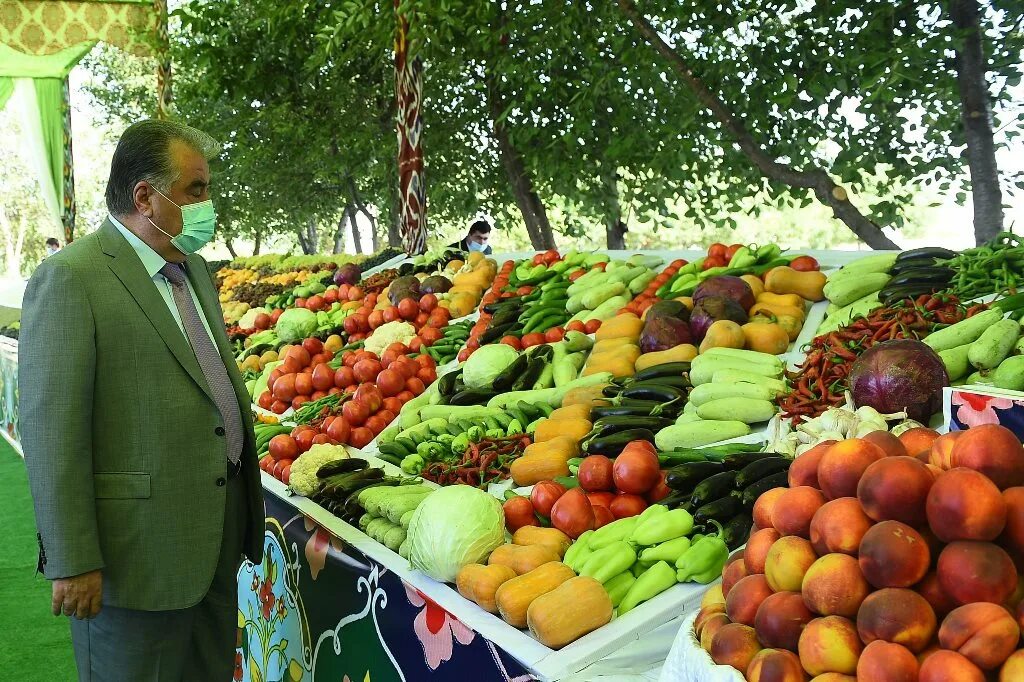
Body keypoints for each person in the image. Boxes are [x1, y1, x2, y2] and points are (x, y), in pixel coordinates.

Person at [19, 119, 264, 681]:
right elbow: (53, 431)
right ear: (145, 197)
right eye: (195, 191)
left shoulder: (193, 269)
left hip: (213, 537)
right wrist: (72, 558)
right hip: (134, 558)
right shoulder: (71, 278)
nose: (208, 205)